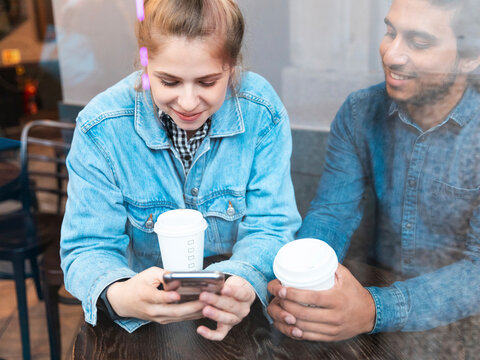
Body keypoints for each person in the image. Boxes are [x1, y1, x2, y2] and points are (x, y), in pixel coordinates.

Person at [268, 0, 480, 341]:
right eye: (390, 32)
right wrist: (298, 291)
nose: (391, 54)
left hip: (479, 327)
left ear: (472, 56)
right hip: (377, 303)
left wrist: (374, 308)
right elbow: (331, 215)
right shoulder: (359, 111)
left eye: (419, 42)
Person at [60, 0, 301, 341]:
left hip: (238, 325)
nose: (188, 103)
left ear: (231, 67)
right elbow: (86, 249)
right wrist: (122, 294)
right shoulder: (101, 128)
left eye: (207, 82)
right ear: (145, 64)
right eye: (169, 82)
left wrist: (244, 280)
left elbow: (272, 226)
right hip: (142, 331)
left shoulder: (262, 111)